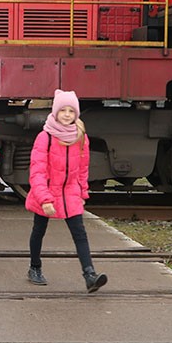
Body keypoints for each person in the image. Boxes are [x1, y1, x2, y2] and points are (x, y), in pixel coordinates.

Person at [25, 89, 107, 293]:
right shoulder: (45, 137)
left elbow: (83, 169)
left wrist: (82, 192)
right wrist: (44, 199)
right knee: (39, 230)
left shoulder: (81, 137)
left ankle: (89, 275)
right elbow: (37, 171)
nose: (67, 114)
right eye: (63, 110)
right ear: (55, 112)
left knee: (80, 233)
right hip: (47, 192)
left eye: (71, 111)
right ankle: (34, 267)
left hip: (70, 192)